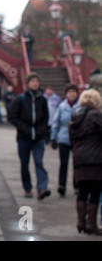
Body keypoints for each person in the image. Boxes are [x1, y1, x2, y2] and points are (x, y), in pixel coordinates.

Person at [8, 72, 51, 200]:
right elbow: (12, 117)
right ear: (28, 83)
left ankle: (42, 188)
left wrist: (42, 130)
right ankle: (27, 188)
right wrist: (24, 128)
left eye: (37, 81)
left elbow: (45, 117)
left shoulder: (42, 100)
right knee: (24, 163)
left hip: (38, 137)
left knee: (39, 161)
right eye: (32, 81)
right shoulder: (20, 99)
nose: (35, 83)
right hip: (24, 137)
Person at [68, 89, 102, 235]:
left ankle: (81, 222)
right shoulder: (95, 115)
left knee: (82, 190)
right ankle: (91, 224)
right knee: (95, 191)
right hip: (95, 158)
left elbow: (71, 137)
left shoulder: (75, 115)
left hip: (79, 158)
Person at [50, 84, 80, 197]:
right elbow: (56, 122)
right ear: (66, 94)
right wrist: (53, 137)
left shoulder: (80, 106)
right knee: (63, 163)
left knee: (76, 163)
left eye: (74, 92)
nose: (72, 94)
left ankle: (77, 185)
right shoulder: (62, 107)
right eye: (70, 92)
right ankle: (61, 185)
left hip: (77, 139)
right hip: (63, 138)